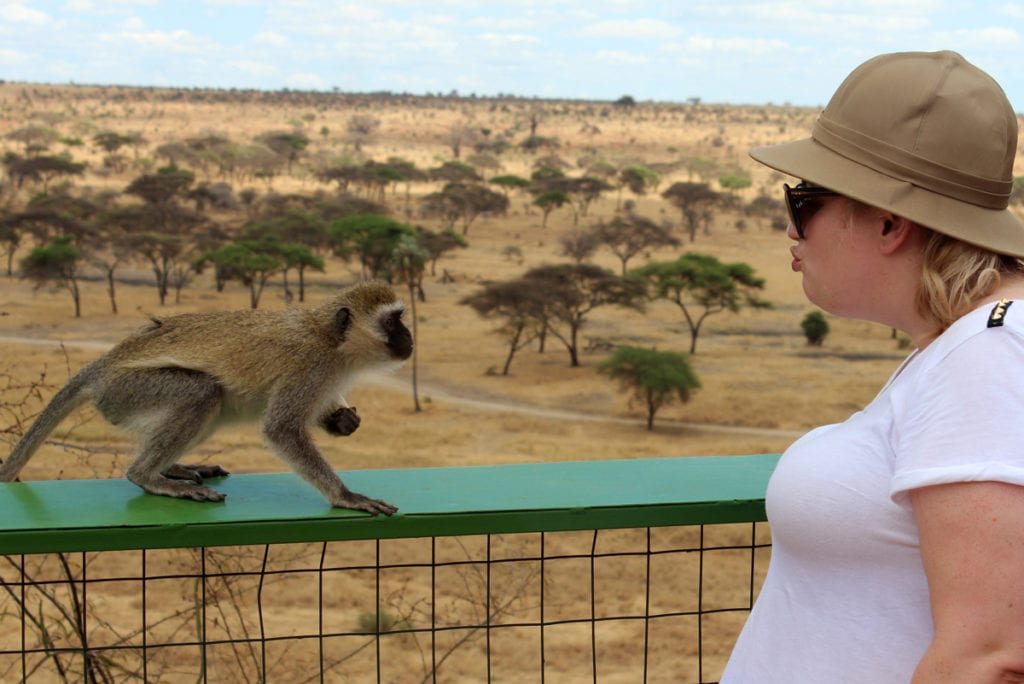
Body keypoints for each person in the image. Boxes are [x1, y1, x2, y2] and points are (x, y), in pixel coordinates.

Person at [721, 50, 1024, 682]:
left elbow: (991, 657)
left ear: (889, 223)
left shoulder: (988, 354)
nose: (792, 231)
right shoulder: (965, 344)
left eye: (803, 201)